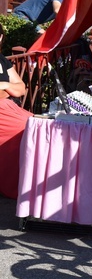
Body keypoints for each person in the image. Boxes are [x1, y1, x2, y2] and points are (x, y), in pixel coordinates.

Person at [0, 54, 33, 199]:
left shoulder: (1, 59)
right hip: (4, 109)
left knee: (36, 124)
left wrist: (5, 85)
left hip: (9, 107)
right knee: (28, 127)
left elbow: (21, 88)